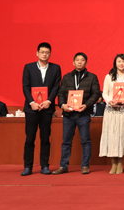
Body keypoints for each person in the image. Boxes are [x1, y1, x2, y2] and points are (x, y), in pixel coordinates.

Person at [54, 52, 101, 175]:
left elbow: (96, 93)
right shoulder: (67, 77)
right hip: (68, 115)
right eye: (77, 60)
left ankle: (85, 166)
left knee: (85, 141)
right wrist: (63, 105)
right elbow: (61, 93)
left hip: (83, 114)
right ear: (73, 62)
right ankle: (63, 166)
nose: (80, 62)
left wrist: (86, 105)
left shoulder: (92, 77)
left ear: (86, 62)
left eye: (82, 60)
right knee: (66, 141)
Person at [21, 42, 62, 176]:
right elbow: (25, 86)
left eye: (47, 52)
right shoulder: (29, 67)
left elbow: (56, 86)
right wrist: (31, 102)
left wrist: (49, 101)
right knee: (29, 139)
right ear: (37, 53)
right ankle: (28, 167)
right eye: (42, 52)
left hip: (47, 108)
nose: (44, 54)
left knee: (45, 139)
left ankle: (44, 166)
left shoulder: (56, 68)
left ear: (50, 54)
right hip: (31, 109)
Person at [99, 54, 124, 174]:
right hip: (111, 110)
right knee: (112, 136)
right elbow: (104, 93)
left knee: (123, 135)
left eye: (123, 61)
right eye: (119, 61)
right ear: (115, 63)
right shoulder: (109, 77)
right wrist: (109, 100)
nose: (121, 63)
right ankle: (113, 164)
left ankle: (120, 163)